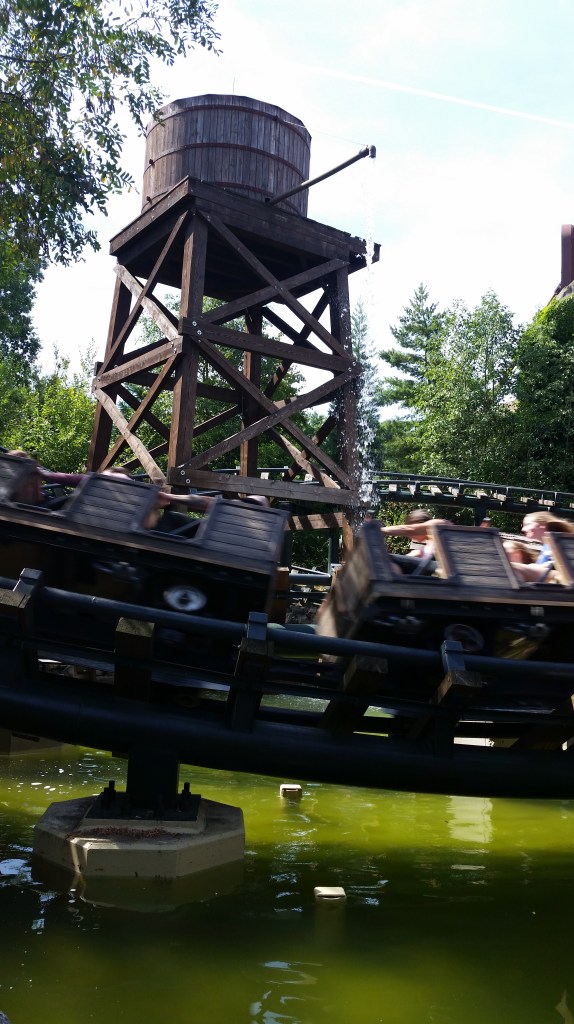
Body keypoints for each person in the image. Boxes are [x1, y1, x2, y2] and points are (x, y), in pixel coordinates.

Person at [508, 511, 574, 582]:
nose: (523, 529)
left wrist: (534, 567)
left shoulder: (558, 543)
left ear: (542, 525)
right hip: (545, 581)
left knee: (512, 567)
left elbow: (563, 567)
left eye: (527, 524)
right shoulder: (546, 547)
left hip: (559, 581)